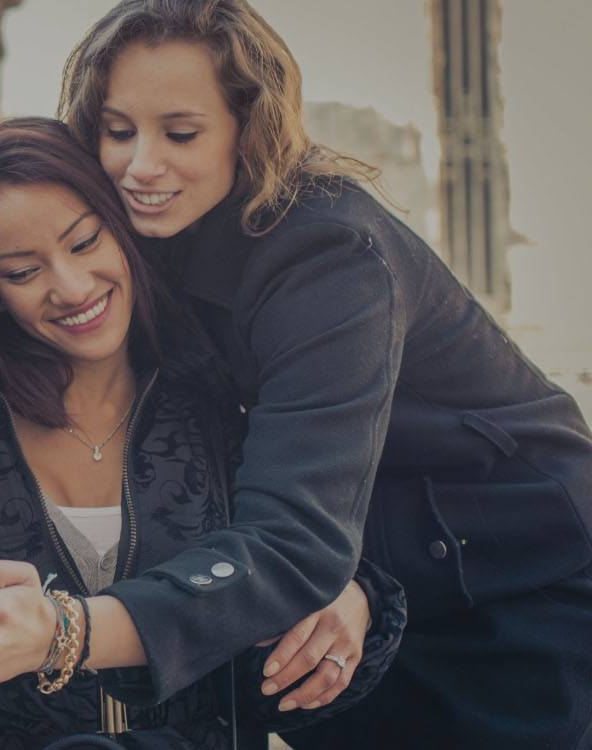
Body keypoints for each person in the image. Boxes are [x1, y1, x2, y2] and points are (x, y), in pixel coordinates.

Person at [53, 1, 592, 747]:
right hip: (347, 581)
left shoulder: (330, 254)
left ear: (251, 126)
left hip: (507, 577)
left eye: (181, 133)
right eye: (118, 132)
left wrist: (68, 633)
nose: (142, 165)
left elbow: (296, 534)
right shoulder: (135, 239)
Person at [0, 116, 403, 750]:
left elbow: (269, 690)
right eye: (22, 272)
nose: (71, 287)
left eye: (84, 242)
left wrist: (349, 602)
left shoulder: (225, 402)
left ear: (124, 228)